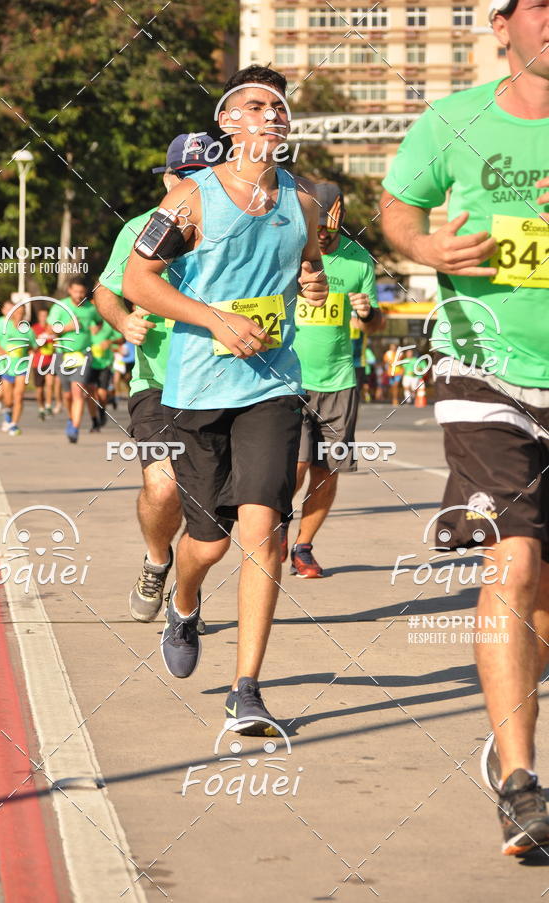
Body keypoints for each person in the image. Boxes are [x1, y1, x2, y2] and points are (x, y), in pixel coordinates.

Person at [381, 0, 549, 856]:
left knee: (544, 585)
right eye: (542, 4)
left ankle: (508, 723)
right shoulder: (451, 119)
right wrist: (427, 249)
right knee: (511, 558)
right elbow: (398, 207)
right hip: (483, 368)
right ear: (503, 22)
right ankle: (521, 783)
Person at [123, 66, 328, 734]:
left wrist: (314, 278)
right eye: (254, 106)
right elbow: (138, 279)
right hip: (196, 387)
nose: (271, 114)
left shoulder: (304, 200)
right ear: (228, 124)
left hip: (272, 384)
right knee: (206, 547)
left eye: (278, 107)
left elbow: (311, 255)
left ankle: (248, 689)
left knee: (263, 531)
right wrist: (213, 319)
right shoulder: (190, 200)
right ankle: (184, 603)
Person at [95, 133, 219, 626]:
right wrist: (123, 320)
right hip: (159, 382)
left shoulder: (238, 226)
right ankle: (157, 560)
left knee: (211, 516)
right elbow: (107, 290)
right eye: (187, 178)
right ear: (169, 180)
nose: (195, 188)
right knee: (164, 487)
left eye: (205, 178)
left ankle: (186, 594)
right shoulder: (140, 229)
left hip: (222, 381)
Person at [281, 181, 382, 576]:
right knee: (297, 467)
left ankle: (303, 548)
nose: (321, 234)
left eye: (328, 226)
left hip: (339, 379)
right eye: (315, 226)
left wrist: (369, 313)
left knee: (327, 470)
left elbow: (373, 325)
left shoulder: (359, 261)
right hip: (290, 376)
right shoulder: (289, 252)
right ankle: (276, 532)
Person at [47, 278, 101, 443]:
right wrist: (66, 328)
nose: (79, 295)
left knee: (79, 391)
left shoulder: (90, 308)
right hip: (63, 355)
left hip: (83, 354)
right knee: (67, 395)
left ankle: (75, 427)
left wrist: (95, 329)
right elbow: (50, 330)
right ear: (69, 290)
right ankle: (71, 418)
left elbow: (98, 321)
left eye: (82, 292)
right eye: (76, 291)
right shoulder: (60, 306)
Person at [0, 300, 37, 437]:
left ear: (25, 314)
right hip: (6, 367)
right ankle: (7, 413)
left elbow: (33, 347)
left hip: (22, 367)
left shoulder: (28, 330)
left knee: (19, 396)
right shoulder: (3, 327)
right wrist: (3, 353)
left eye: (22, 313)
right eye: (17, 312)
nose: (19, 315)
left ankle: (14, 424)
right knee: (8, 399)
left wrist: (31, 354)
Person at [86, 320, 121, 431]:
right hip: (88, 363)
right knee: (90, 393)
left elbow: (121, 339)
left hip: (104, 364)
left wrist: (110, 342)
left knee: (102, 394)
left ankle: (101, 412)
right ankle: (94, 421)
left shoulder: (108, 323)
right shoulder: (86, 322)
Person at [32, 307, 55, 420]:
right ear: (39, 317)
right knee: (40, 389)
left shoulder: (53, 328)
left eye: (46, 316)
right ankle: (41, 407)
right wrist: (40, 342)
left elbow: (57, 343)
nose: (44, 318)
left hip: (50, 361)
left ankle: (48, 406)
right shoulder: (34, 329)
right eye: (42, 315)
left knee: (50, 384)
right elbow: (32, 346)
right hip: (38, 362)